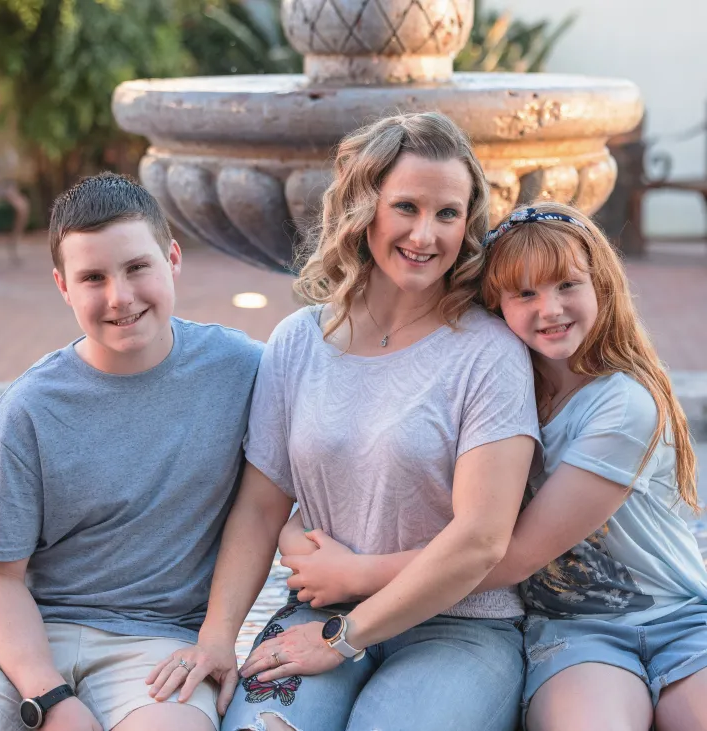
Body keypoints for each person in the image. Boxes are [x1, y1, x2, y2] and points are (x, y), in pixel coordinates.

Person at [147, 112, 539, 731]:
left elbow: (482, 540)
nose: (425, 233)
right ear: (364, 208)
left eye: (447, 213)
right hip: (317, 611)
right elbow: (259, 507)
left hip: (459, 628)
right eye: (406, 206)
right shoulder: (299, 340)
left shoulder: (489, 353)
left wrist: (343, 638)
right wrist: (217, 638)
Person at [0, 173, 263, 731]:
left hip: (158, 644)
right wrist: (49, 699)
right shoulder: (30, 409)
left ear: (172, 259)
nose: (120, 297)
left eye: (137, 267)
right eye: (93, 277)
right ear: (64, 286)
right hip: (26, 634)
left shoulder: (242, 369)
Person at [473, 201, 707, 731]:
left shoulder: (624, 403)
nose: (549, 308)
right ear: (495, 305)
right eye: (525, 293)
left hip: (682, 620)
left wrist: (366, 577)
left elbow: (513, 558)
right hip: (575, 632)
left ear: (600, 283)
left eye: (566, 286)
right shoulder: (499, 399)